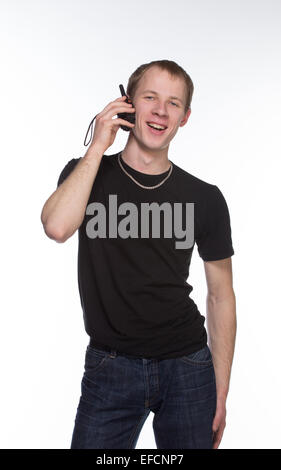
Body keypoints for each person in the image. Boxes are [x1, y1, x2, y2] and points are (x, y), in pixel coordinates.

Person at [40, 59, 236, 449]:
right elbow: (57, 227)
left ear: (185, 117)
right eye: (150, 97)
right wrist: (98, 144)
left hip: (187, 367)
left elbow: (221, 296)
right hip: (110, 367)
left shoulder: (205, 198)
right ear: (128, 104)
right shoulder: (86, 175)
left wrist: (221, 391)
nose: (161, 111)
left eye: (173, 103)